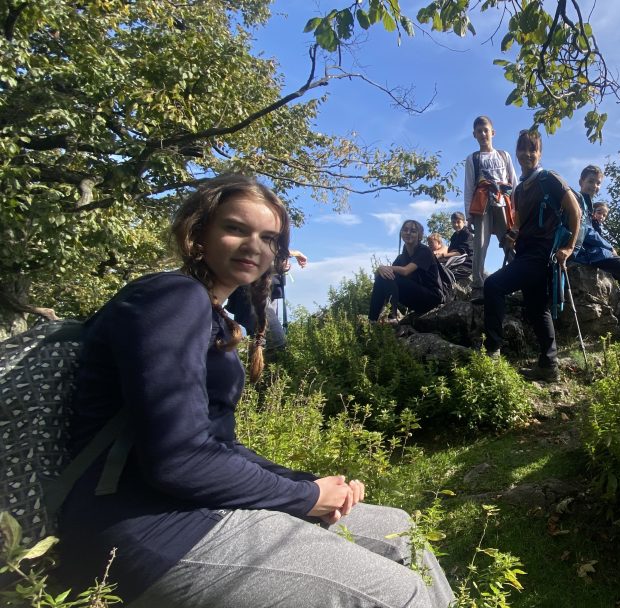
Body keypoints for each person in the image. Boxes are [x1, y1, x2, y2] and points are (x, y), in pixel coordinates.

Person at [59, 174, 452, 607]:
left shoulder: (209, 313)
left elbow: (218, 446)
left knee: (401, 531)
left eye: (268, 238)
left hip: (194, 504)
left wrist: (307, 484)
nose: (254, 246)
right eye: (235, 229)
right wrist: (307, 497)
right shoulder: (173, 297)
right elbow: (178, 460)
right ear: (197, 234)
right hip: (149, 528)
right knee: (400, 593)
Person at [483, 129, 581, 382]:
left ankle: (492, 352)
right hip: (525, 251)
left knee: (493, 285)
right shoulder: (519, 190)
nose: (527, 154)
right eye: (523, 149)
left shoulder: (549, 179)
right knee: (537, 309)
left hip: (541, 254)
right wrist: (513, 234)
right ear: (516, 152)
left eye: (533, 149)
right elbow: (520, 222)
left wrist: (569, 248)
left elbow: (575, 212)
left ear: (540, 153)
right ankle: (549, 367)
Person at [571, 166, 620, 331]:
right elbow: (585, 232)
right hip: (585, 253)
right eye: (591, 181)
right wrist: (609, 246)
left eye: (598, 183)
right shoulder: (578, 201)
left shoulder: (586, 203)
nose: (594, 186)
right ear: (581, 181)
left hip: (589, 251)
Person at [463, 115, 517, 298]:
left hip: (503, 202)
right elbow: (469, 188)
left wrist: (517, 208)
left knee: (509, 241)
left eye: (485, 130)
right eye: (479, 131)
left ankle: (519, 278)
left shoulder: (504, 155)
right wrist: (468, 215)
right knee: (480, 244)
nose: (483, 134)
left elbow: (514, 182)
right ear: (474, 135)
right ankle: (478, 286)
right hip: (482, 204)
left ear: (492, 132)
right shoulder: (473, 158)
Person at [224, 249, 307, 351]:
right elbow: (258, 252)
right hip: (252, 290)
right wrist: (293, 253)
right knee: (277, 344)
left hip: (265, 289)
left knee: (260, 343)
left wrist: (280, 264)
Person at [369, 219, 444, 321]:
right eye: (405, 230)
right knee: (383, 277)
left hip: (432, 298)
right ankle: (373, 320)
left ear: (419, 236)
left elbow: (405, 271)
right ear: (401, 233)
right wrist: (380, 270)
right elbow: (386, 278)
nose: (408, 233)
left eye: (413, 231)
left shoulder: (425, 251)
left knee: (391, 276)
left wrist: (383, 267)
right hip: (415, 298)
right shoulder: (401, 258)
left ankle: (392, 318)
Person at [439, 211, 473, 281]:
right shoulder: (454, 236)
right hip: (455, 262)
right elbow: (451, 252)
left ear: (464, 222)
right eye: (453, 222)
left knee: (445, 276)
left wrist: (441, 255)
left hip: (467, 264)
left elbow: (461, 253)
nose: (456, 224)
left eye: (458, 222)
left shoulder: (467, 234)